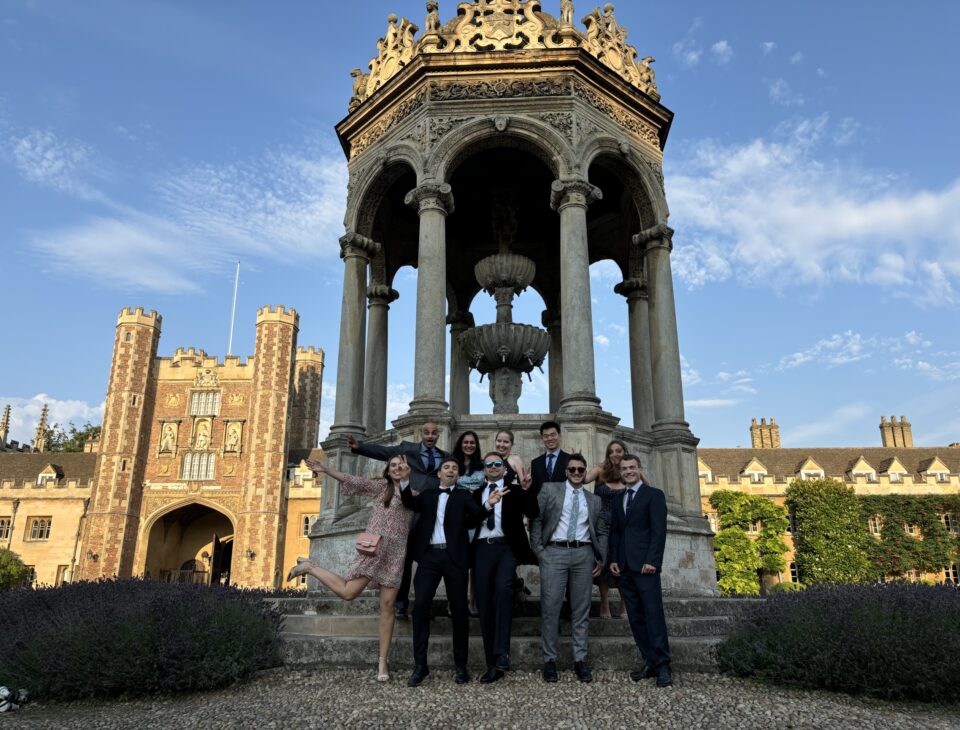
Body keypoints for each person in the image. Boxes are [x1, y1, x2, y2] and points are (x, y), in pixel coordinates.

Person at [287, 456, 413, 683]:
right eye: (392, 466)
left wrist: (406, 480)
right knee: (348, 593)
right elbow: (352, 479)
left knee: (388, 607)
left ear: (407, 469)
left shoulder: (412, 494)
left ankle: (382, 662)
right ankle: (311, 567)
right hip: (374, 549)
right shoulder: (381, 487)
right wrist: (325, 469)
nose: (396, 468)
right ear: (387, 470)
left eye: (400, 465)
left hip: (395, 555)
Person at [400, 457, 504, 687]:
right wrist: (405, 478)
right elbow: (408, 501)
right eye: (446, 467)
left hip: (454, 558)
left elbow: (475, 517)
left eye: (455, 468)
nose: (451, 470)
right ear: (439, 473)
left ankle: (460, 666)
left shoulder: (463, 496)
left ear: (458, 475)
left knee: (459, 611)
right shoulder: (427, 495)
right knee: (420, 608)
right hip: (429, 558)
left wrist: (489, 504)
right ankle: (420, 666)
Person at [350, 421, 448, 618]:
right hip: (406, 510)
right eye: (426, 432)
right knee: (402, 562)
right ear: (421, 433)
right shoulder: (407, 450)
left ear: (439, 435)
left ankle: (423, 605)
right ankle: (401, 604)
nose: (430, 436)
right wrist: (360, 447)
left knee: (427, 563)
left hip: (429, 515)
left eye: (434, 433)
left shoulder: (445, 457)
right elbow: (385, 452)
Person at [530, 453, 608, 683]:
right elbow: (537, 520)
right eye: (572, 469)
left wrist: (600, 557)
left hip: (583, 555)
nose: (576, 473)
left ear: (586, 474)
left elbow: (601, 530)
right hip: (554, 552)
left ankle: (580, 660)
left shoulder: (594, 500)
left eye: (580, 470)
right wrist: (539, 551)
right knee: (551, 608)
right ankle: (550, 661)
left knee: (581, 609)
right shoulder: (549, 489)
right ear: (565, 471)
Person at [471, 451, 539, 683]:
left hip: (506, 549)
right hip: (481, 550)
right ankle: (493, 664)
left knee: (502, 591)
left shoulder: (515, 490)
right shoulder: (476, 493)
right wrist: (487, 506)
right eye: (488, 464)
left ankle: (502, 653)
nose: (493, 467)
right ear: (484, 469)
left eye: (497, 463)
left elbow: (533, 512)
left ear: (504, 467)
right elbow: (469, 521)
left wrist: (527, 487)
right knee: (484, 602)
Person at [609, 454, 672, 687]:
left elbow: (659, 531)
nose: (628, 471)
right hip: (624, 567)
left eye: (632, 467)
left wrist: (653, 561)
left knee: (653, 615)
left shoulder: (653, 495)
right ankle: (650, 662)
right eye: (624, 468)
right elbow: (616, 532)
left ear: (639, 469)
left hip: (646, 566)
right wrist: (613, 559)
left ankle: (663, 665)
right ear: (621, 472)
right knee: (635, 618)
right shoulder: (618, 499)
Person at [588, 439, 629, 619]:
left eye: (619, 451)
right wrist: (575, 459)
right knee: (603, 564)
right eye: (611, 451)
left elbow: (646, 489)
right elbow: (581, 479)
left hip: (623, 526)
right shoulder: (599, 471)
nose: (615, 454)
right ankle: (604, 604)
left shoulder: (629, 473)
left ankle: (624, 604)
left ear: (624, 452)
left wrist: (639, 472)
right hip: (602, 526)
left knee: (623, 564)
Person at [530, 421, 570, 495]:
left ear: (559, 435)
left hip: (564, 504)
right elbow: (534, 490)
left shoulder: (569, 459)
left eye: (553, 435)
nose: (549, 438)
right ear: (542, 438)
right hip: (542, 505)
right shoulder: (535, 463)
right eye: (546, 436)